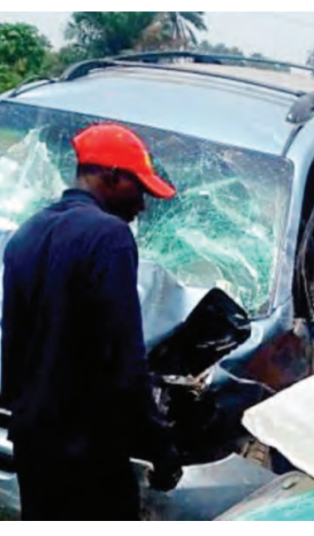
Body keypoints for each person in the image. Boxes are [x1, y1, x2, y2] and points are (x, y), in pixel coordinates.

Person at [1, 123, 182, 520]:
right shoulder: (110, 237)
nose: (143, 205)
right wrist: (160, 447)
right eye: (140, 189)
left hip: (34, 449)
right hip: (89, 457)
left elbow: (10, 349)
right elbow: (124, 360)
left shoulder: (25, 234)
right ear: (111, 176)